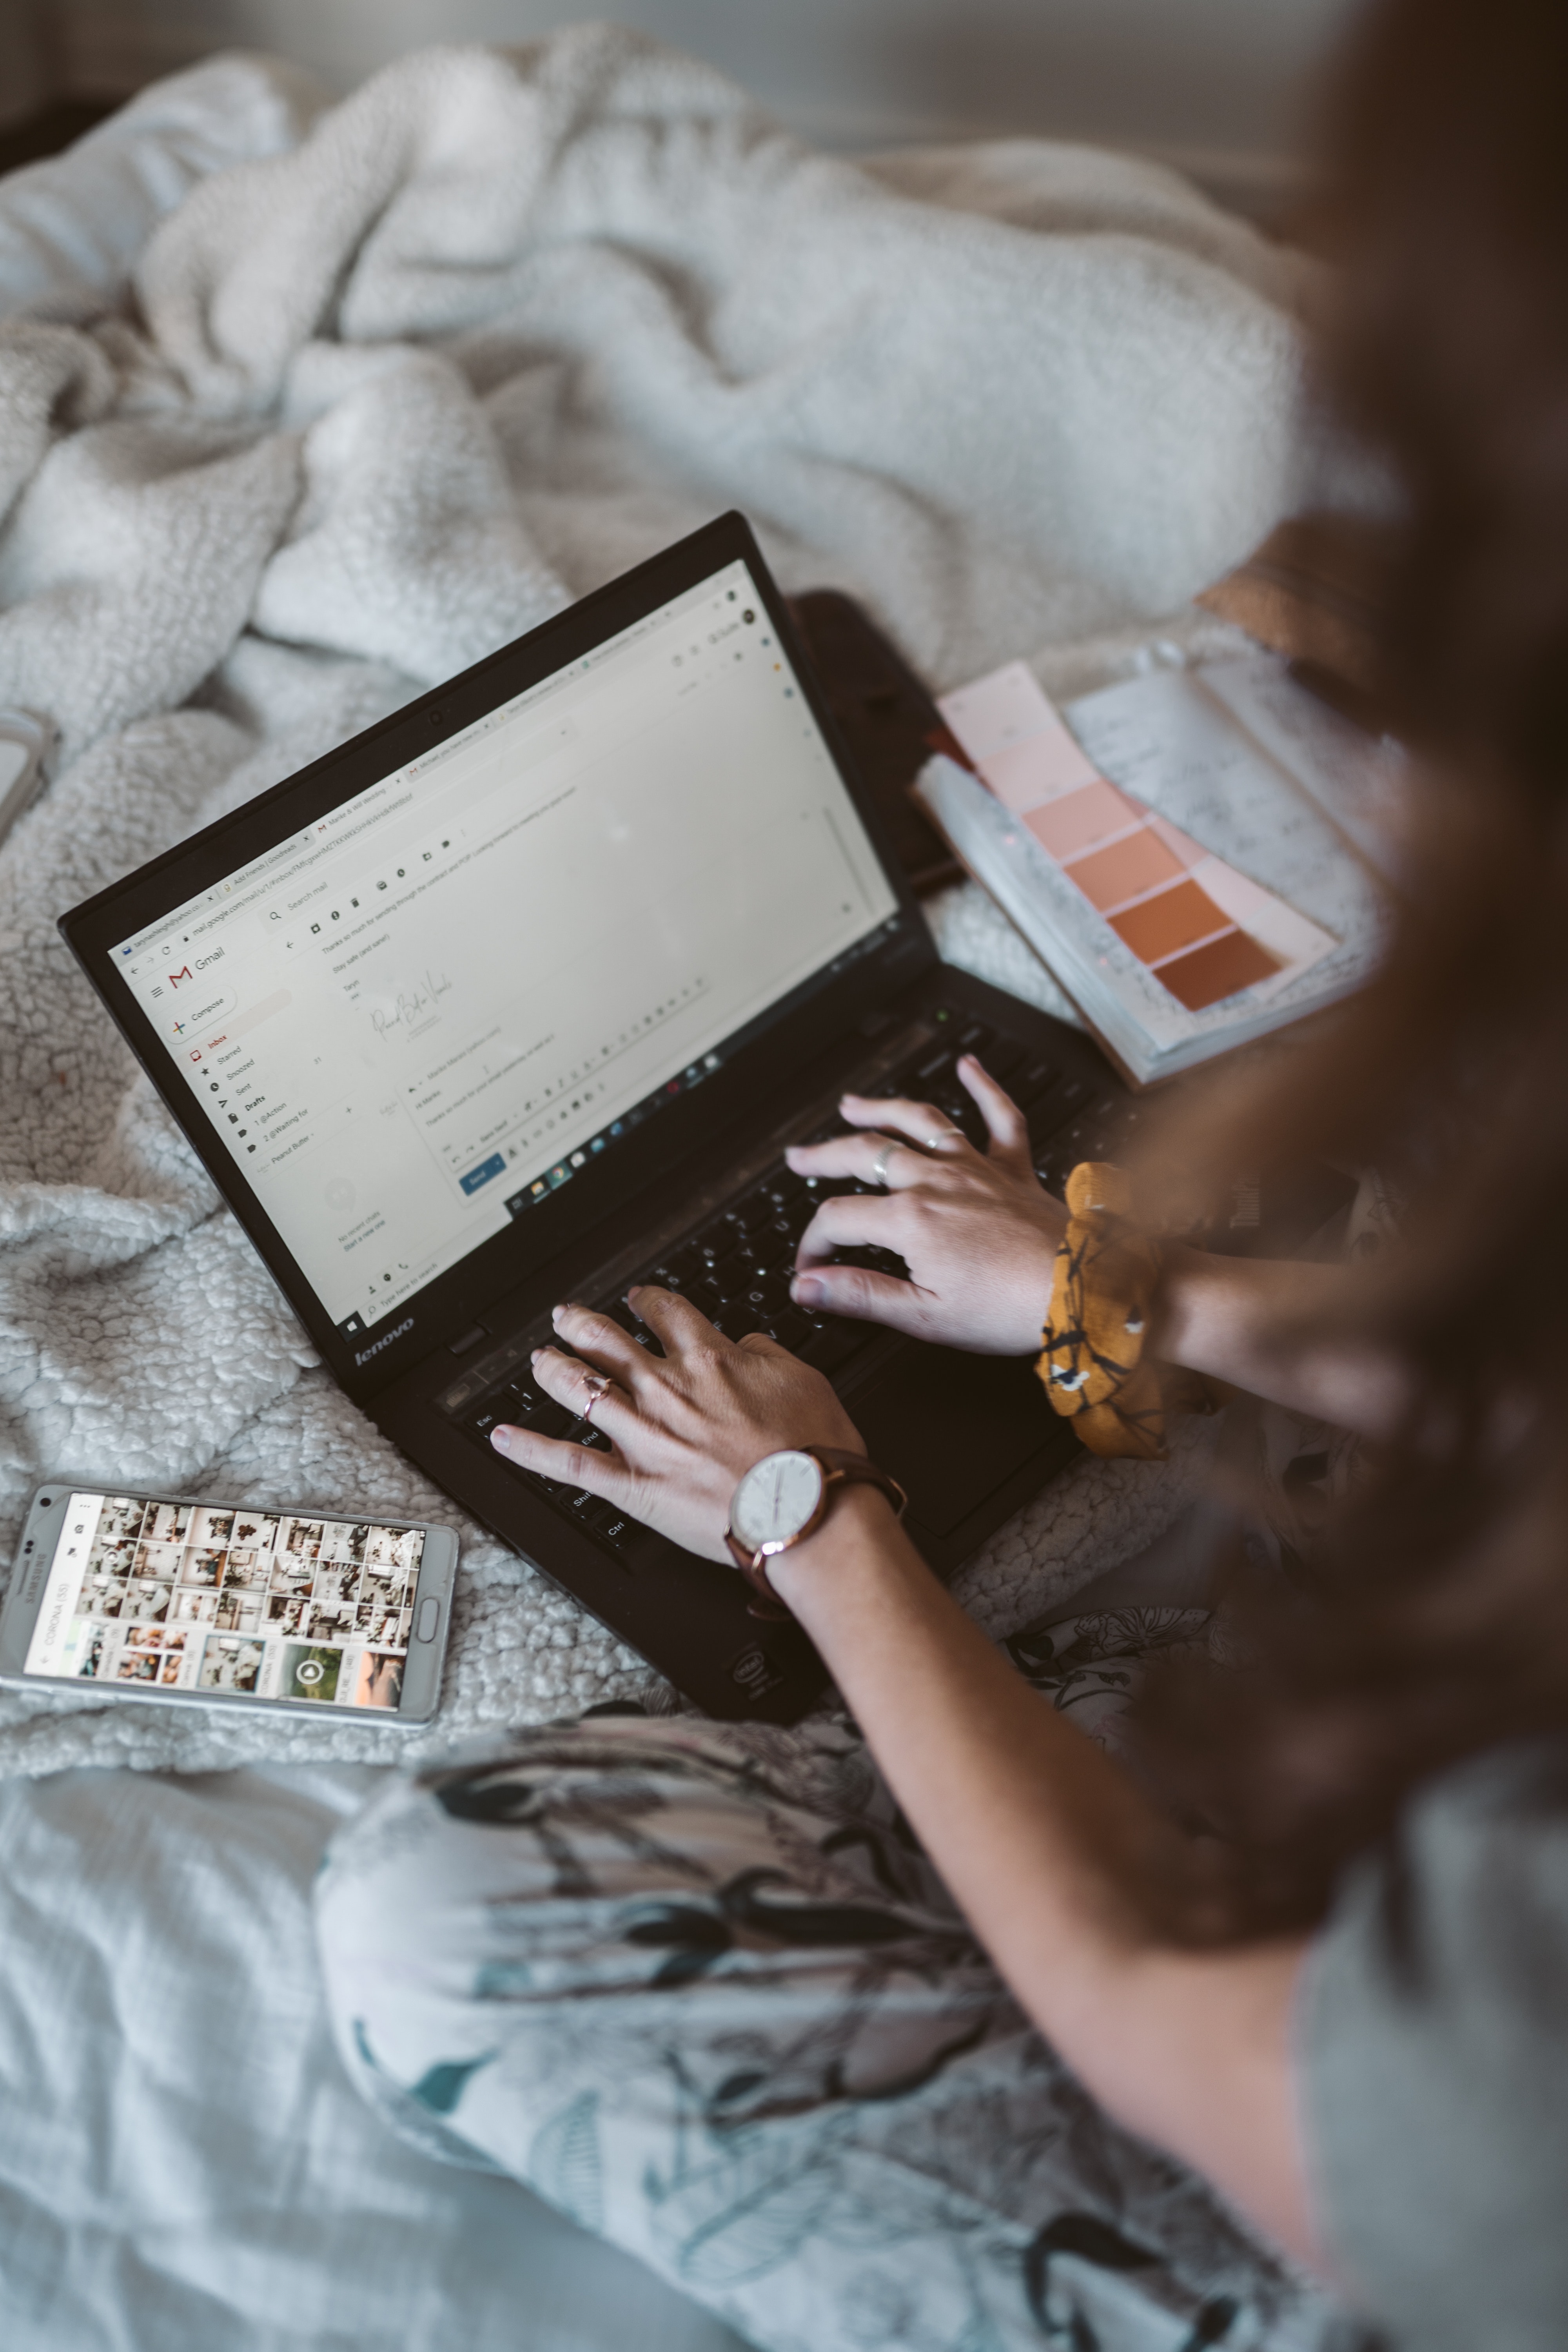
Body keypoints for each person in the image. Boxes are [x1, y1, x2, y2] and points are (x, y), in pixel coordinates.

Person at [314, 1, 1568, 2344]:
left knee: (441, 1903)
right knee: (1275, 1240)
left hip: (1392, 2225)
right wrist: (1131, 1307)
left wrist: (827, 1528)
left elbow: (1201, 2038)